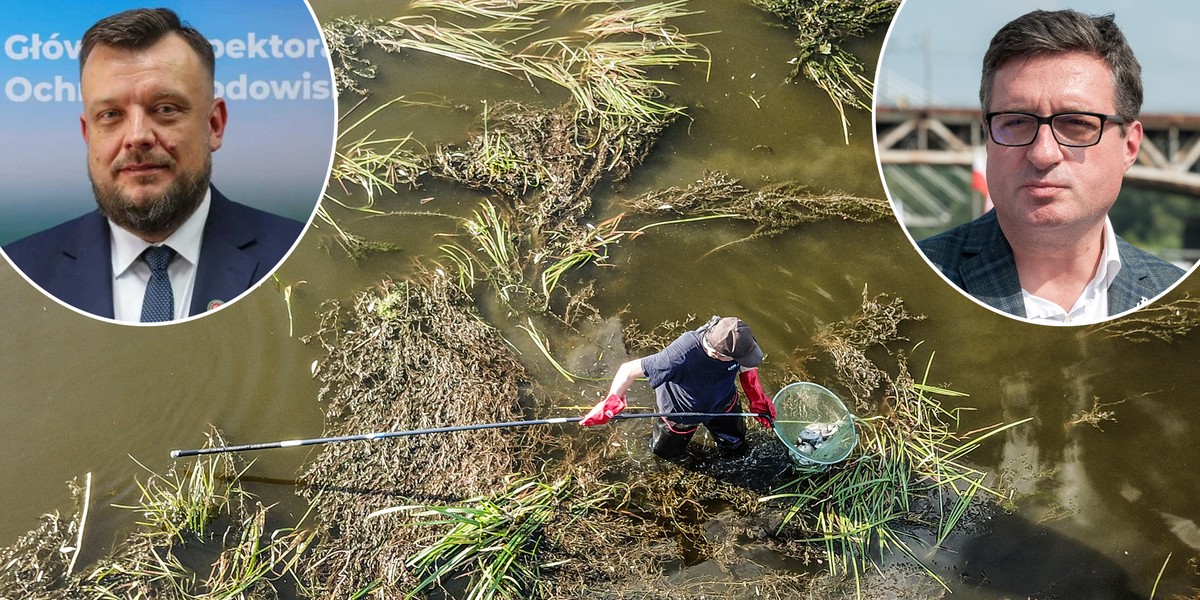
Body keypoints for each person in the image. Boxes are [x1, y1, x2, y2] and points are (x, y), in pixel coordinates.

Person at [2, 8, 303, 322]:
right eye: (111, 115)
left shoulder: (298, 256)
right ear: (88, 134)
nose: (137, 136)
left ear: (213, 125)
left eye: (165, 108)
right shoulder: (16, 273)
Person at [918, 9, 1184, 324]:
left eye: (1076, 123)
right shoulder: (910, 280)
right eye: (1016, 122)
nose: (1043, 153)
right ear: (987, 138)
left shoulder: (1180, 297)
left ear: (1129, 147)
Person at [580, 316, 777, 460]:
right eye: (737, 358)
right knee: (665, 454)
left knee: (736, 446)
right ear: (718, 355)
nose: (746, 360)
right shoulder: (680, 354)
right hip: (681, 414)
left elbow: (747, 365)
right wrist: (610, 403)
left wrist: (757, 399)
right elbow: (629, 370)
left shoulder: (738, 337)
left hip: (724, 404)